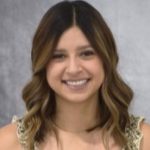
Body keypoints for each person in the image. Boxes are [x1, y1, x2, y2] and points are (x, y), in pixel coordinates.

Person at [0, 0, 150, 150]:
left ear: (106, 59)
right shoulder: (7, 143)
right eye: (58, 56)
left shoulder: (145, 141)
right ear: (42, 63)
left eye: (86, 53)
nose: (73, 69)